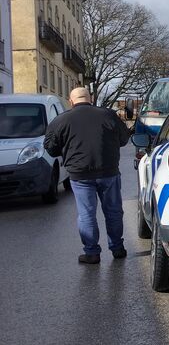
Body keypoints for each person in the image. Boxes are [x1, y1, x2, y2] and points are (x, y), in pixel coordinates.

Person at [45, 87, 132, 264]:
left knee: (86, 214)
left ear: (71, 101)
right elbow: (124, 139)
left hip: (80, 175)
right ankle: (117, 248)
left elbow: (51, 148)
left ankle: (92, 253)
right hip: (108, 171)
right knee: (113, 211)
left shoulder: (61, 120)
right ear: (90, 98)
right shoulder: (108, 115)